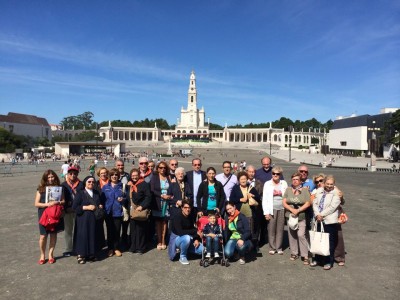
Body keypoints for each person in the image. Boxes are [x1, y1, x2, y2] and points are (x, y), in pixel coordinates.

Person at [312, 173, 346, 266]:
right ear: (324, 183)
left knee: (329, 242)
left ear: (334, 184)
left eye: (331, 184)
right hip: (318, 219)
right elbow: (314, 203)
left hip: (330, 221)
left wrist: (321, 214)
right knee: (318, 239)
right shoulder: (319, 191)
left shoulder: (336, 193)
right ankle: (317, 259)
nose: (329, 186)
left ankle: (328, 261)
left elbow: (332, 207)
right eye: (327, 183)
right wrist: (317, 214)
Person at [34, 170, 65, 264]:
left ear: (55, 177)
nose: (51, 179)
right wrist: (47, 204)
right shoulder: (41, 188)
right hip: (43, 214)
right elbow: (36, 203)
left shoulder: (59, 188)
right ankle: (42, 254)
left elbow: (63, 201)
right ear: (45, 178)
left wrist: (57, 202)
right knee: (43, 236)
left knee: (53, 234)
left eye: (52, 177)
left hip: (55, 213)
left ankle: (51, 254)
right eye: (48, 177)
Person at [72, 175, 104, 264]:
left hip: (94, 219)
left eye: (93, 182)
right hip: (83, 219)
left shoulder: (96, 193)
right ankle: (81, 254)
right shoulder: (80, 193)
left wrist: (100, 206)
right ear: (85, 183)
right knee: (83, 236)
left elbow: (99, 203)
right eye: (89, 182)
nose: (91, 183)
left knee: (92, 235)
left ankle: (91, 254)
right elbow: (75, 207)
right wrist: (86, 207)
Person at [282, 172, 311, 265]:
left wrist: (298, 210)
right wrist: (291, 209)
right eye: (293, 179)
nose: (295, 181)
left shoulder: (305, 190)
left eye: (297, 179)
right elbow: (284, 202)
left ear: (300, 181)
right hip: (290, 216)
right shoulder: (288, 190)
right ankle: (294, 253)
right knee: (292, 235)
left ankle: (305, 255)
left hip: (301, 216)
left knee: (301, 234)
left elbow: (308, 203)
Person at [229, 171, 260, 249]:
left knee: (249, 230)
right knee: (239, 230)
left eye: (245, 179)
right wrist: (240, 199)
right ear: (238, 180)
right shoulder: (235, 188)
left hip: (249, 213)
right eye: (241, 179)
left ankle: (249, 247)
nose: (243, 180)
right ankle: (239, 246)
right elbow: (231, 199)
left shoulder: (250, 187)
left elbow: (258, 198)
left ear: (247, 179)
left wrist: (252, 195)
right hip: (238, 213)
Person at [101, 168, 128, 257]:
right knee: (109, 231)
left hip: (118, 212)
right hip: (108, 212)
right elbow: (102, 199)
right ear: (109, 176)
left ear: (118, 176)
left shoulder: (122, 186)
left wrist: (123, 200)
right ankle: (110, 248)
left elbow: (127, 198)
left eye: (116, 175)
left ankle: (116, 248)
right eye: (112, 175)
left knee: (117, 231)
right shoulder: (105, 187)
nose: (114, 176)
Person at [168, 200, 203, 265]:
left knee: (202, 250)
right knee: (187, 238)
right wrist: (196, 231)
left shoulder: (191, 216)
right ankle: (182, 256)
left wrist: (196, 239)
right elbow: (180, 232)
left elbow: (192, 228)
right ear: (182, 208)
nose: (187, 209)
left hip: (187, 237)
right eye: (185, 207)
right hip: (177, 238)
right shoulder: (177, 216)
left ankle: (185, 249)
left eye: (189, 208)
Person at [262, 166, 288, 255]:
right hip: (271, 208)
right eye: (274, 173)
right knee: (271, 229)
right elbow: (264, 199)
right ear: (271, 174)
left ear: (280, 174)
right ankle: (272, 247)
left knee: (280, 229)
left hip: (282, 208)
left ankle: (279, 247)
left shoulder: (284, 183)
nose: (275, 175)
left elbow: (287, 196)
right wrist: (266, 212)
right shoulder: (267, 183)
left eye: (278, 174)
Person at [128, 168, 152, 254]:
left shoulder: (144, 184)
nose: (134, 177)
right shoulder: (130, 185)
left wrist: (142, 206)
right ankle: (133, 246)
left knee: (141, 229)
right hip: (132, 210)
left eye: (136, 175)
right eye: (133, 175)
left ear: (139, 175)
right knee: (133, 229)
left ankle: (141, 247)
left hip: (141, 209)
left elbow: (148, 197)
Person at [61, 165, 83, 257]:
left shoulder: (81, 184)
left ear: (77, 174)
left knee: (79, 230)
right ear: (68, 174)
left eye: (75, 173)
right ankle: (68, 249)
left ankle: (79, 248)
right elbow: (61, 198)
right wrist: (65, 208)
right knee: (68, 230)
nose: (73, 175)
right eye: (71, 173)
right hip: (68, 211)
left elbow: (84, 197)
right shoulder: (63, 185)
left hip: (78, 210)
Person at [150, 161, 172, 250]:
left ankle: (163, 240)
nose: (162, 169)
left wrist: (169, 196)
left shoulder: (168, 177)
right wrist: (161, 195)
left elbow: (172, 188)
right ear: (157, 169)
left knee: (165, 222)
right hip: (158, 202)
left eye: (164, 168)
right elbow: (152, 190)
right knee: (158, 222)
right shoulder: (154, 177)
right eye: (160, 168)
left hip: (167, 203)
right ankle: (159, 241)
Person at [246, 165, 264, 250]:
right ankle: (247, 243)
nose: (251, 173)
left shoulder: (259, 183)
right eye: (250, 172)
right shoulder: (243, 181)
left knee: (256, 226)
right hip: (245, 207)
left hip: (256, 208)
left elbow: (261, 195)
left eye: (253, 172)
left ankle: (255, 243)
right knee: (247, 225)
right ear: (247, 172)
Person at [115, 158, 130, 250]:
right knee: (116, 227)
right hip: (115, 205)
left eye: (121, 165)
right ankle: (116, 245)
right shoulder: (112, 175)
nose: (120, 167)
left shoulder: (128, 176)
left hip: (125, 204)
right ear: (115, 166)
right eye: (118, 165)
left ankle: (124, 242)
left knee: (125, 225)